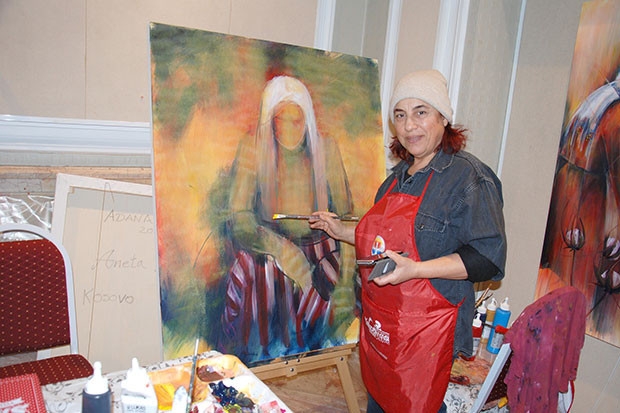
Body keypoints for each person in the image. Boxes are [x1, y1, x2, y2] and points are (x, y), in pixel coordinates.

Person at [310, 69, 507, 412]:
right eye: (400, 115)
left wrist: (416, 269)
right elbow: (382, 242)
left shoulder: (469, 178)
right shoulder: (394, 180)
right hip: (385, 329)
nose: (409, 125)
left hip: (430, 336)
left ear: (443, 117)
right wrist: (340, 231)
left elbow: (487, 258)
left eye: (421, 112)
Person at [222, 75, 355, 361]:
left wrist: (346, 282)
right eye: (280, 119)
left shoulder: (326, 149)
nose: (288, 128)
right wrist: (280, 249)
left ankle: (314, 355)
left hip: (323, 246)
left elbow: (348, 221)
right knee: (258, 275)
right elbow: (239, 215)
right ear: (270, 120)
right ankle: (260, 364)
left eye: (297, 120)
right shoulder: (253, 147)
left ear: (307, 119)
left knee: (332, 288)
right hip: (268, 244)